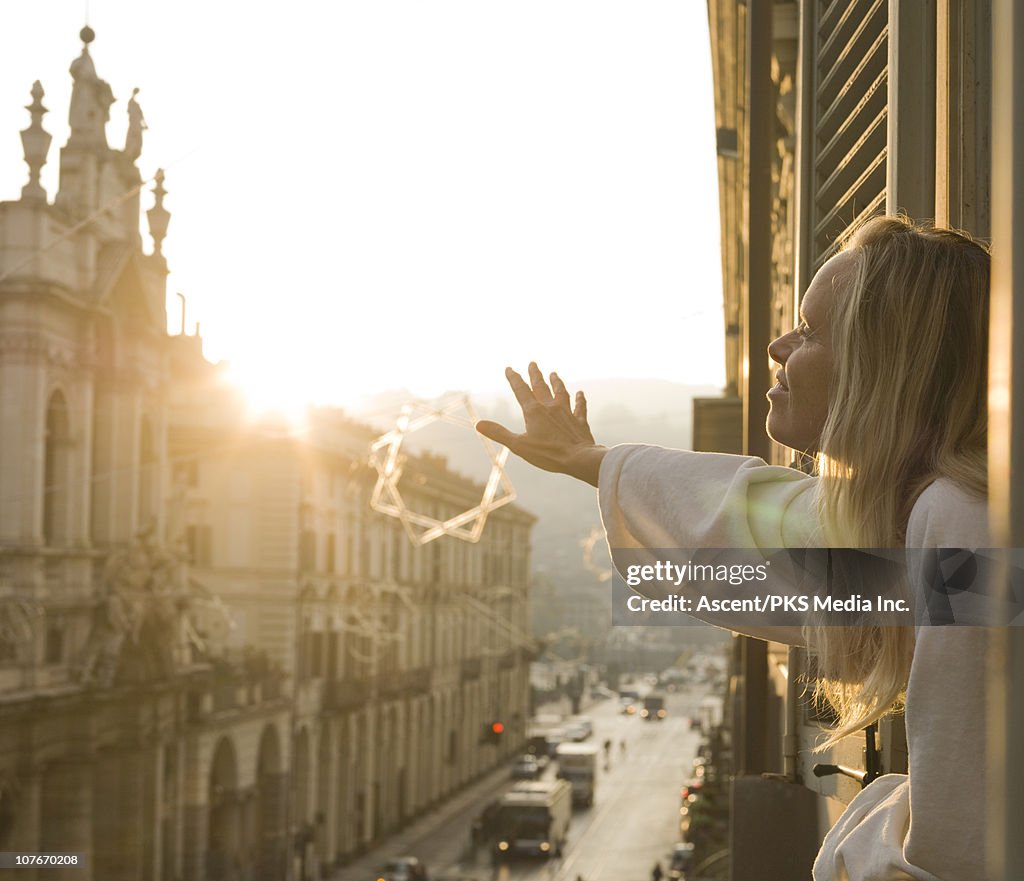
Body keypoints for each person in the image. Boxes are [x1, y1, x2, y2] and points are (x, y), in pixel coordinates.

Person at [476, 216, 991, 881]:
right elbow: (759, 523)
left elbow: (961, 849)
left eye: (808, 331)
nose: (778, 345)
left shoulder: (961, 519)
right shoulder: (930, 511)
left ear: (882, 363)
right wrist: (591, 459)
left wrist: (861, 838)